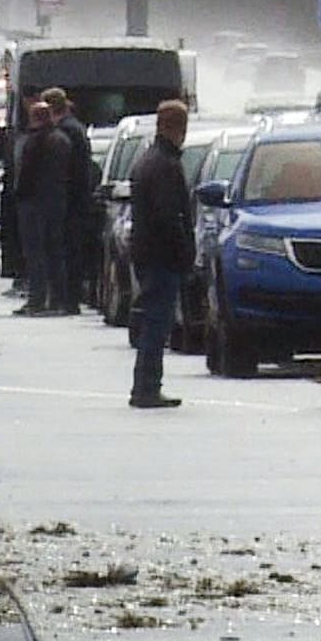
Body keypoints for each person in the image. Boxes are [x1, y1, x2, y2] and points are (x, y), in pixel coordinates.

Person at [126, 99, 194, 409]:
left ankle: (146, 384)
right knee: (157, 321)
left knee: (154, 319)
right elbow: (169, 216)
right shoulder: (165, 165)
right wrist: (183, 252)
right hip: (161, 256)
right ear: (176, 128)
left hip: (148, 252)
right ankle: (147, 387)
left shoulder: (148, 160)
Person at [12, 99, 74, 316]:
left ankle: (37, 299)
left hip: (35, 204)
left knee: (36, 253)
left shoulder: (35, 141)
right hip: (57, 201)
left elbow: (27, 173)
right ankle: (58, 299)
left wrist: (19, 195)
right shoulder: (62, 140)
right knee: (54, 252)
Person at [41, 87, 96, 310]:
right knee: (69, 250)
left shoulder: (66, 131)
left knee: (66, 250)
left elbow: (68, 169)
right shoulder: (75, 128)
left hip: (70, 199)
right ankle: (68, 297)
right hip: (76, 198)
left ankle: (67, 298)